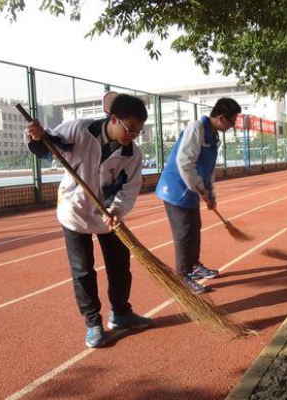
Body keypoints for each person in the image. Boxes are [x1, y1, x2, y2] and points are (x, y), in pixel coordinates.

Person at [25, 93, 152, 348]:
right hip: (75, 210)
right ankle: (93, 323)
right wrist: (36, 136)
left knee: (120, 266)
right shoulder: (79, 130)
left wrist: (117, 210)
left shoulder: (132, 154)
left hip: (108, 214)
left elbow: (130, 187)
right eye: (130, 129)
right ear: (114, 118)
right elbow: (48, 147)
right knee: (83, 270)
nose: (132, 135)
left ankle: (121, 313)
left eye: (138, 132)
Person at [156, 98, 242, 294]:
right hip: (177, 189)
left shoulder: (213, 137)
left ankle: (194, 266)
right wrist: (199, 188)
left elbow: (209, 169)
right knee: (184, 233)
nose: (232, 126)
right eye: (231, 122)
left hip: (193, 189)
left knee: (195, 228)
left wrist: (210, 194)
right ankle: (183, 275)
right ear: (221, 118)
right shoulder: (196, 129)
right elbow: (184, 162)